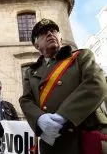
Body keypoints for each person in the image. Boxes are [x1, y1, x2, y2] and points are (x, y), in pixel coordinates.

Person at [19, 18, 107, 154]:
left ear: (60, 38)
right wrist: (40, 119)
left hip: (85, 135)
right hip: (53, 142)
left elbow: (96, 84)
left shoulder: (80, 57)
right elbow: (26, 100)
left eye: (53, 30)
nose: (50, 34)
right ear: (36, 45)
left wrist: (63, 115)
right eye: (43, 33)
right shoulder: (31, 72)